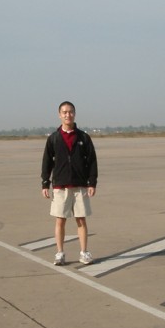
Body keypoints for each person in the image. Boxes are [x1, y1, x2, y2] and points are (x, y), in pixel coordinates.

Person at [41, 101, 98, 265]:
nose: (68, 115)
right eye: (64, 112)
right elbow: (47, 162)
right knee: (60, 220)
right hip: (61, 186)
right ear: (59, 115)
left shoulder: (83, 137)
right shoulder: (53, 139)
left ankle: (84, 252)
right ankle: (60, 253)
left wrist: (92, 183)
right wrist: (45, 183)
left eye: (70, 112)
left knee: (81, 220)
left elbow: (92, 161)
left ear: (75, 114)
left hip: (80, 186)